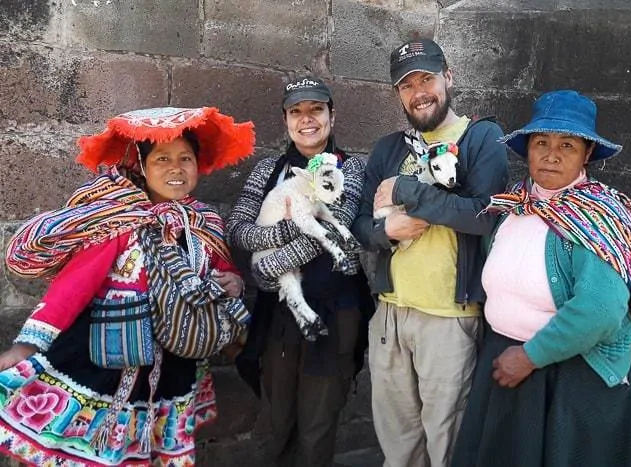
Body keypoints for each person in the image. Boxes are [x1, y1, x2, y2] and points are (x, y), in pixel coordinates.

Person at [0, 107, 255, 466]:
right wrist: (26, 347)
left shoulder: (204, 221)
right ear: (143, 166)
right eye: (162, 159)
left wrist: (234, 281)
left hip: (173, 362)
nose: (175, 168)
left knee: (152, 452)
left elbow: (222, 267)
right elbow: (74, 287)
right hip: (106, 358)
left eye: (185, 158)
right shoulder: (120, 219)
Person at [450, 90, 631, 466]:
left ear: (586, 154)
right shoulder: (515, 206)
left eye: (567, 145)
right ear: (528, 150)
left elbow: (600, 310)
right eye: (541, 142)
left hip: (571, 380)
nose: (551, 154)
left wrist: (530, 356)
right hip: (511, 368)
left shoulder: (598, 219)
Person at [352, 38, 509, 467]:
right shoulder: (389, 149)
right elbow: (360, 226)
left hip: (448, 319)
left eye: (427, 78)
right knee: (397, 443)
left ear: (448, 77)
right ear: (397, 95)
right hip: (389, 315)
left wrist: (409, 192)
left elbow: (484, 214)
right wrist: (390, 230)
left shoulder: (482, 137)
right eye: (407, 84)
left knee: (447, 440)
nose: (419, 91)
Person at [226, 76, 373, 467]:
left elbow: (333, 228)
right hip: (279, 319)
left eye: (316, 110)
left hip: (335, 312)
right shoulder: (268, 171)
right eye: (296, 112)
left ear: (331, 115)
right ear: (286, 120)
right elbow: (238, 231)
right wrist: (290, 228)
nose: (306, 120)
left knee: (317, 430)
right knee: (277, 425)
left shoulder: (351, 169)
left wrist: (269, 267)